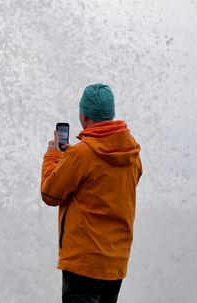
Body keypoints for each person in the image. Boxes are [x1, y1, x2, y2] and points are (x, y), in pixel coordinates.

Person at [40, 82, 142, 303]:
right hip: (116, 262)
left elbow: (50, 194)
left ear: (84, 116)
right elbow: (104, 183)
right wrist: (72, 157)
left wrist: (53, 157)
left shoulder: (81, 155)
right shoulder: (132, 154)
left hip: (83, 262)